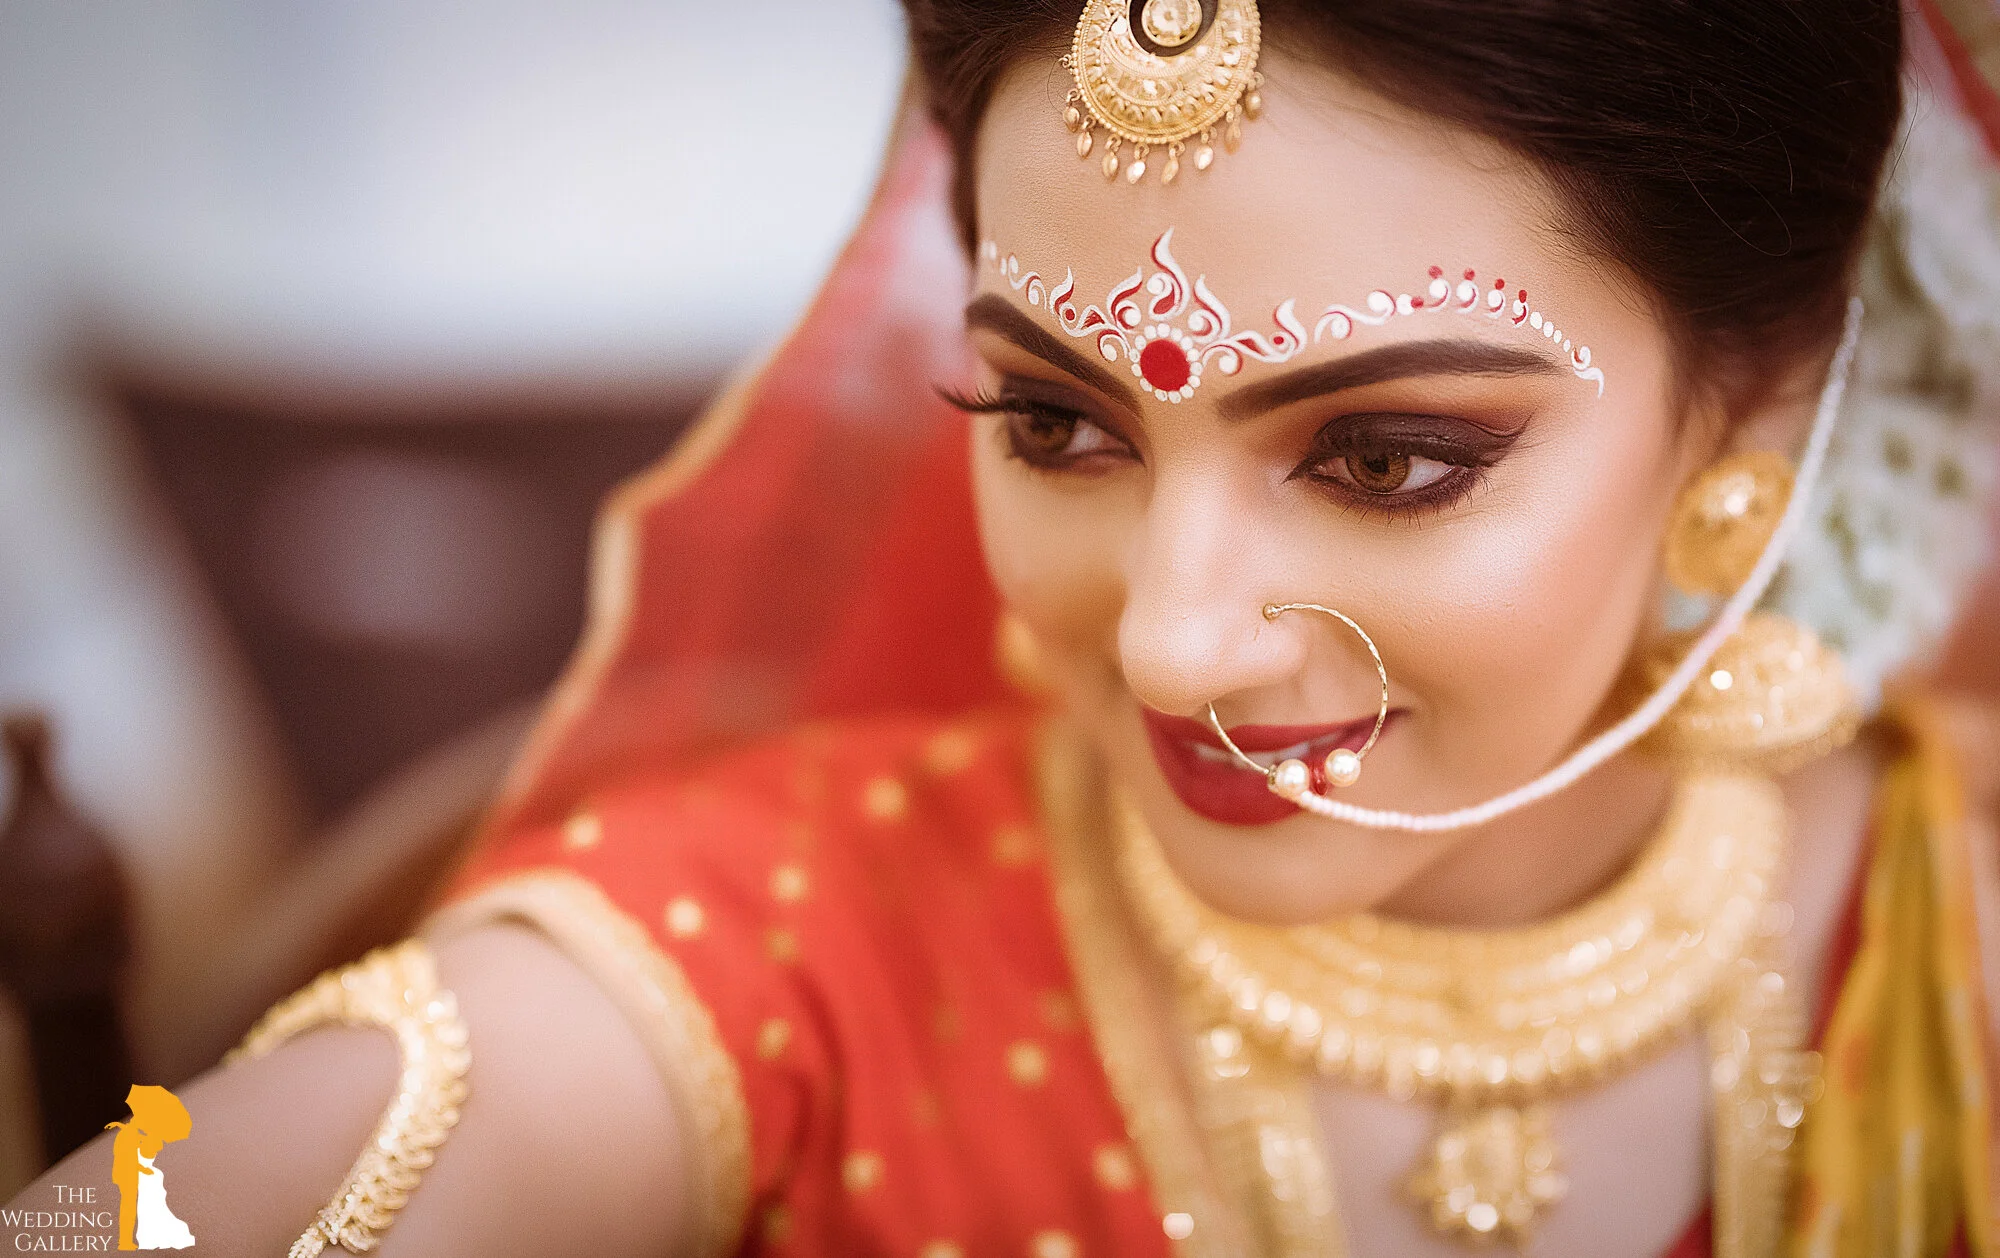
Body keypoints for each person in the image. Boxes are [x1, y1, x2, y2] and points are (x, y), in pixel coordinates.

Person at [12, 0, 2000, 1254]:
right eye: (1058, 423)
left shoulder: (1953, 944)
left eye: (1386, 457)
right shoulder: (800, 939)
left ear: (1747, 409)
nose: (1168, 639)